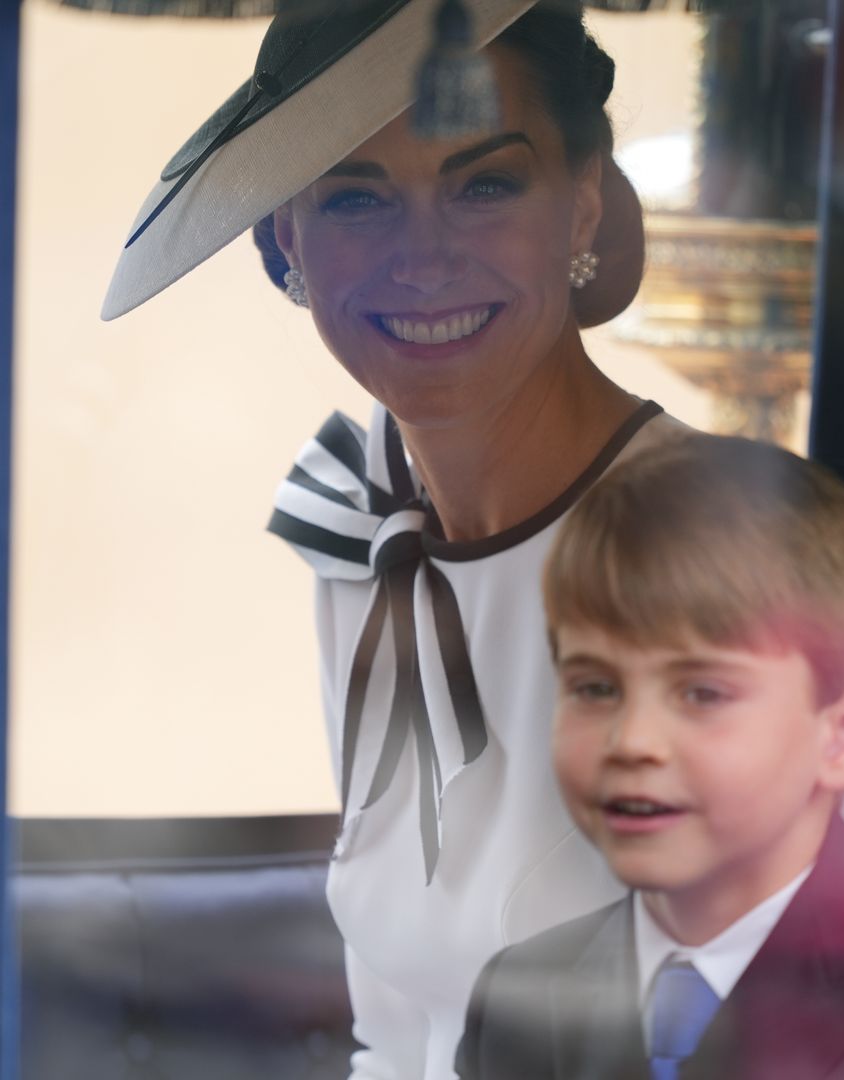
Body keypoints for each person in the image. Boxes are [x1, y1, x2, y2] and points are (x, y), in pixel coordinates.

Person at [104, 1, 690, 1077]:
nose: (424, 259)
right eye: (357, 200)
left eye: (485, 185)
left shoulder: (712, 555)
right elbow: (393, 1025)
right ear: (288, 236)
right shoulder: (361, 529)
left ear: (582, 202)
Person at [456, 434, 844, 1080]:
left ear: (842, 735)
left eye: (703, 693)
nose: (633, 740)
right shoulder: (517, 996)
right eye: (594, 687)